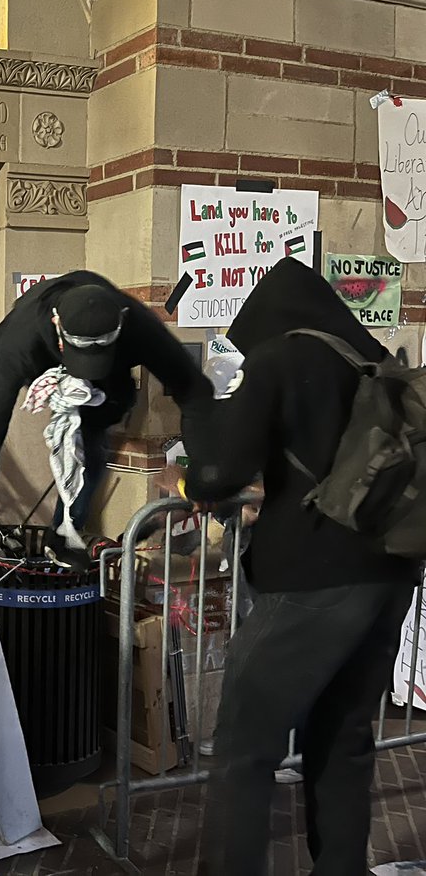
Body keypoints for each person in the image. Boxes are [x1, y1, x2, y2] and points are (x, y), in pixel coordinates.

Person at [176, 258, 419, 875]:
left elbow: (219, 471)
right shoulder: (370, 360)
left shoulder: (281, 358)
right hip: (388, 575)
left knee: (243, 744)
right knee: (345, 737)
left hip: (312, 581)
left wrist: (198, 409)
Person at [0, 270, 213, 566]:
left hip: (108, 378)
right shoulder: (22, 338)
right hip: (26, 346)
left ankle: (64, 536)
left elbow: (195, 391)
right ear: (57, 322)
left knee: (89, 446)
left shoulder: (139, 326)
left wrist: (204, 473)